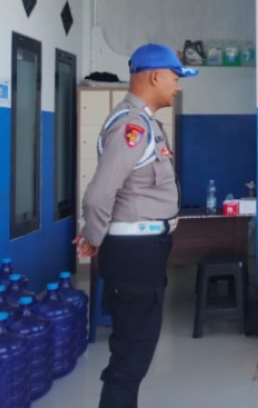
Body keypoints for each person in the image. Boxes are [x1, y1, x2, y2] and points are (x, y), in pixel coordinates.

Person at [74, 43, 198, 408]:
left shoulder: (145, 123)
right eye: (175, 78)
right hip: (134, 254)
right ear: (155, 76)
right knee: (131, 356)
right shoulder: (131, 125)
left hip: (143, 251)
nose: (177, 86)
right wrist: (93, 236)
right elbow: (99, 195)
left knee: (135, 352)